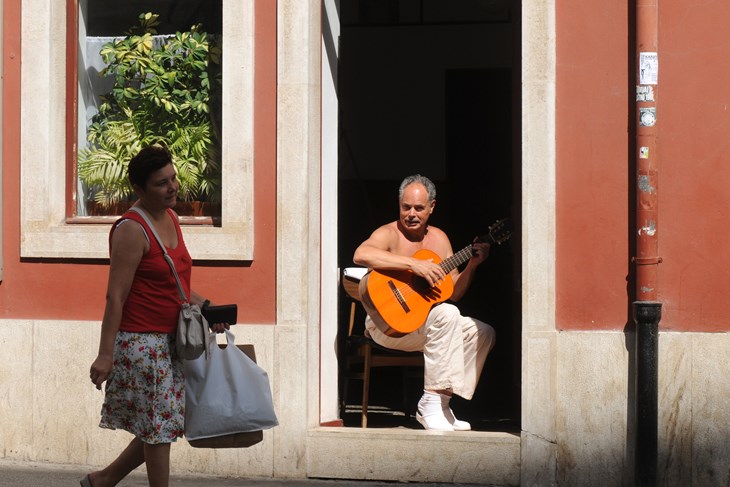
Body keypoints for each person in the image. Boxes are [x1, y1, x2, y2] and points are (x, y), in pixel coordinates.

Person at [84, 144, 229, 487]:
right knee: (160, 429)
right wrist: (106, 355)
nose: (173, 187)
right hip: (143, 344)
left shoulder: (172, 218)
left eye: (173, 178)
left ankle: (103, 480)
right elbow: (115, 296)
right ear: (139, 189)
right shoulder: (131, 229)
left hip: (172, 341)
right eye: (162, 183)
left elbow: (174, 286)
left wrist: (207, 309)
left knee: (163, 424)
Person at [353, 174, 496, 431]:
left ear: (432, 207)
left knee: (482, 332)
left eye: (419, 208)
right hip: (384, 325)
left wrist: (472, 265)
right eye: (406, 206)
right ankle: (428, 405)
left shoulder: (439, 239)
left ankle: (441, 402)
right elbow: (361, 254)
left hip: (420, 325)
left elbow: (453, 292)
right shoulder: (388, 233)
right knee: (447, 314)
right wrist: (413, 264)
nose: (411, 213)